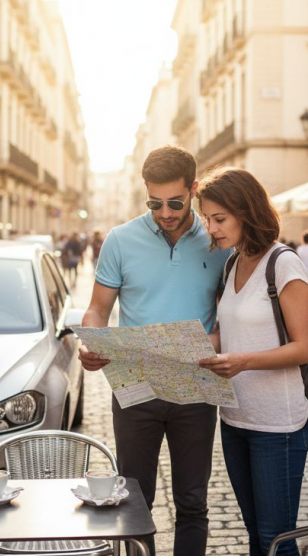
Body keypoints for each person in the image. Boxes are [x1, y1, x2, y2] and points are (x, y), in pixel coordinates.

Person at [78, 145, 231, 556]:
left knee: (193, 502)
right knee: (133, 502)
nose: (165, 212)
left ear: (194, 190)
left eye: (176, 202)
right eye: (154, 202)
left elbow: (231, 317)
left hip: (196, 387)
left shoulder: (219, 243)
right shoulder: (120, 240)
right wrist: (92, 341)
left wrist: (212, 346)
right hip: (134, 387)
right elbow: (97, 309)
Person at [196, 168, 308, 556]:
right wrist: (186, 348)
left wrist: (244, 361)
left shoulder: (284, 263)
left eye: (219, 219)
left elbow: (304, 348)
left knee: (275, 539)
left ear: (246, 212)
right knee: (254, 534)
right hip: (235, 420)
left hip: (277, 425)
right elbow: (225, 336)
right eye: (208, 219)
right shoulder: (232, 264)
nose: (211, 228)